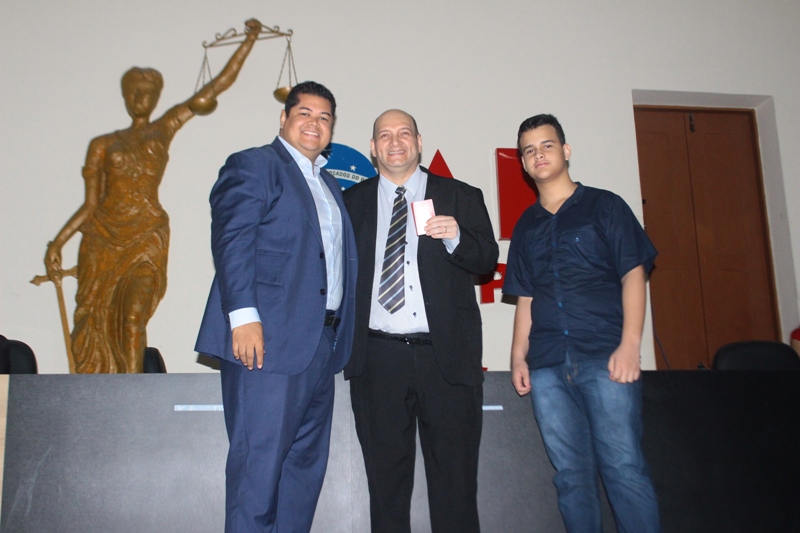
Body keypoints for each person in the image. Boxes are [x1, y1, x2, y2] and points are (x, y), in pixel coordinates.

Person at [44, 19, 263, 373]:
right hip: (103, 239)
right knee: (96, 322)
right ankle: (104, 389)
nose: (139, 99)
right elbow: (90, 204)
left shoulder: (164, 129)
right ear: (125, 95)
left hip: (146, 235)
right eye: (133, 92)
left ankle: (133, 392)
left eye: (146, 92)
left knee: (134, 317)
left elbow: (217, 86)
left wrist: (250, 39)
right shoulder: (102, 144)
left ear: (157, 96)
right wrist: (58, 243)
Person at [194, 81, 357, 532]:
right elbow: (232, 240)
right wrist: (243, 316)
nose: (314, 123)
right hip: (266, 341)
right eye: (304, 113)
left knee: (302, 475)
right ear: (283, 119)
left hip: (320, 344)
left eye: (324, 118)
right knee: (258, 471)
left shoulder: (329, 184)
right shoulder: (255, 164)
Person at [504, 114, 661, 533]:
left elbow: (634, 274)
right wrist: (518, 357)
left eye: (547, 145)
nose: (538, 154)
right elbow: (526, 297)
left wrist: (630, 345)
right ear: (523, 163)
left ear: (566, 150)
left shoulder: (605, 206)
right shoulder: (526, 225)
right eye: (529, 150)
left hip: (606, 358)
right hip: (547, 365)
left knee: (623, 468)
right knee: (571, 478)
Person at [343, 109, 498, 533]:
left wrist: (457, 238)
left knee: (455, 487)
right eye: (384, 135)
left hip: (446, 360)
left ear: (419, 141)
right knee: (386, 490)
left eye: (404, 133)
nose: (395, 142)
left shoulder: (460, 195)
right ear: (373, 148)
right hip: (377, 360)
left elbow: (487, 259)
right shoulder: (351, 203)